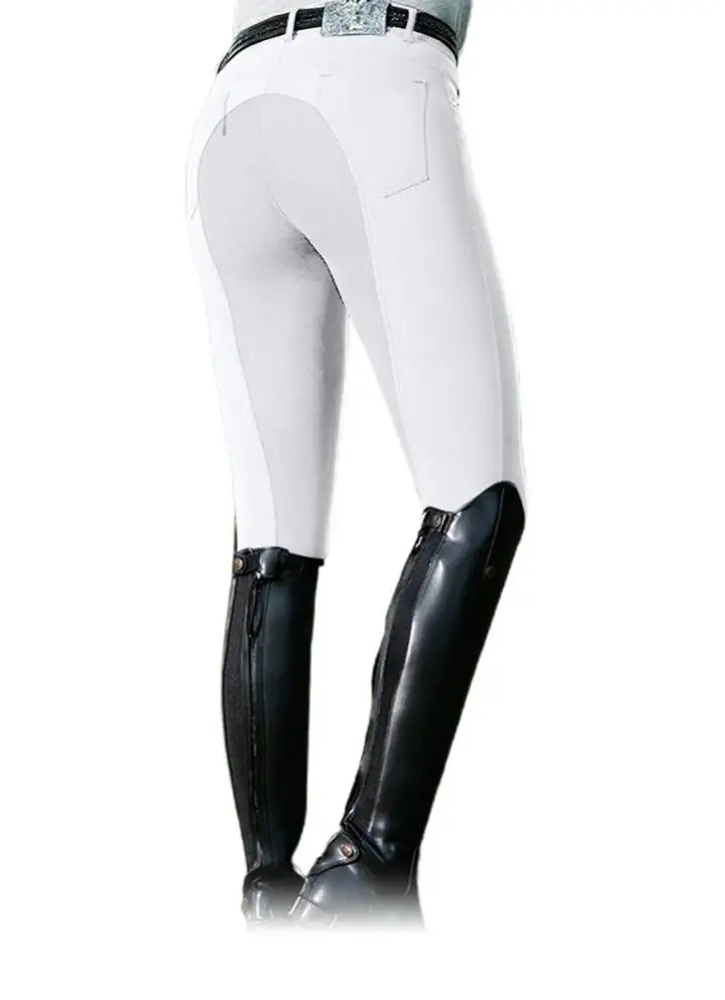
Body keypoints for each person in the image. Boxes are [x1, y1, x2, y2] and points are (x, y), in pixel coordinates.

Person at [186, 0, 526, 927]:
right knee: (478, 497)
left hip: (234, 111)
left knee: (271, 541)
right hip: (375, 78)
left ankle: (269, 891)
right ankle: (367, 867)